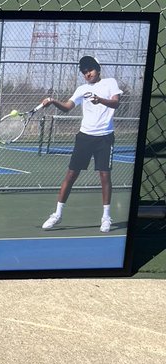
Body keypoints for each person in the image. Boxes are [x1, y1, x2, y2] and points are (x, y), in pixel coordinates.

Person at [40, 55, 122, 233]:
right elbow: (68, 107)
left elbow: (116, 103)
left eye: (90, 70)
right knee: (71, 175)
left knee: (105, 176)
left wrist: (100, 100)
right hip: (84, 137)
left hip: (105, 138)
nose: (87, 74)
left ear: (97, 69)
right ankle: (57, 214)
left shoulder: (110, 83)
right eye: (84, 72)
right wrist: (53, 101)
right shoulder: (82, 89)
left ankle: (106, 217)